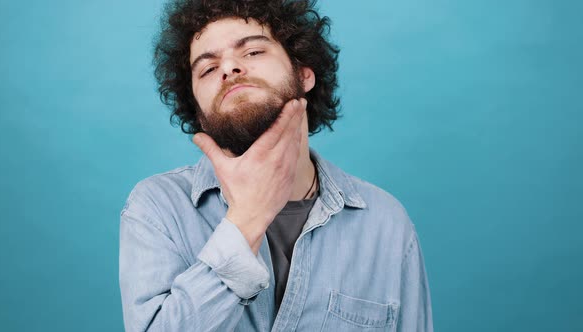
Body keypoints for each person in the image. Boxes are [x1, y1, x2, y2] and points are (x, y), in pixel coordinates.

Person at [119, 0, 433, 331]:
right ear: (198, 112)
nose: (229, 68)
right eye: (208, 69)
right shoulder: (156, 208)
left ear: (303, 74)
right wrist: (246, 220)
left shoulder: (387, 224)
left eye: (253, 52)